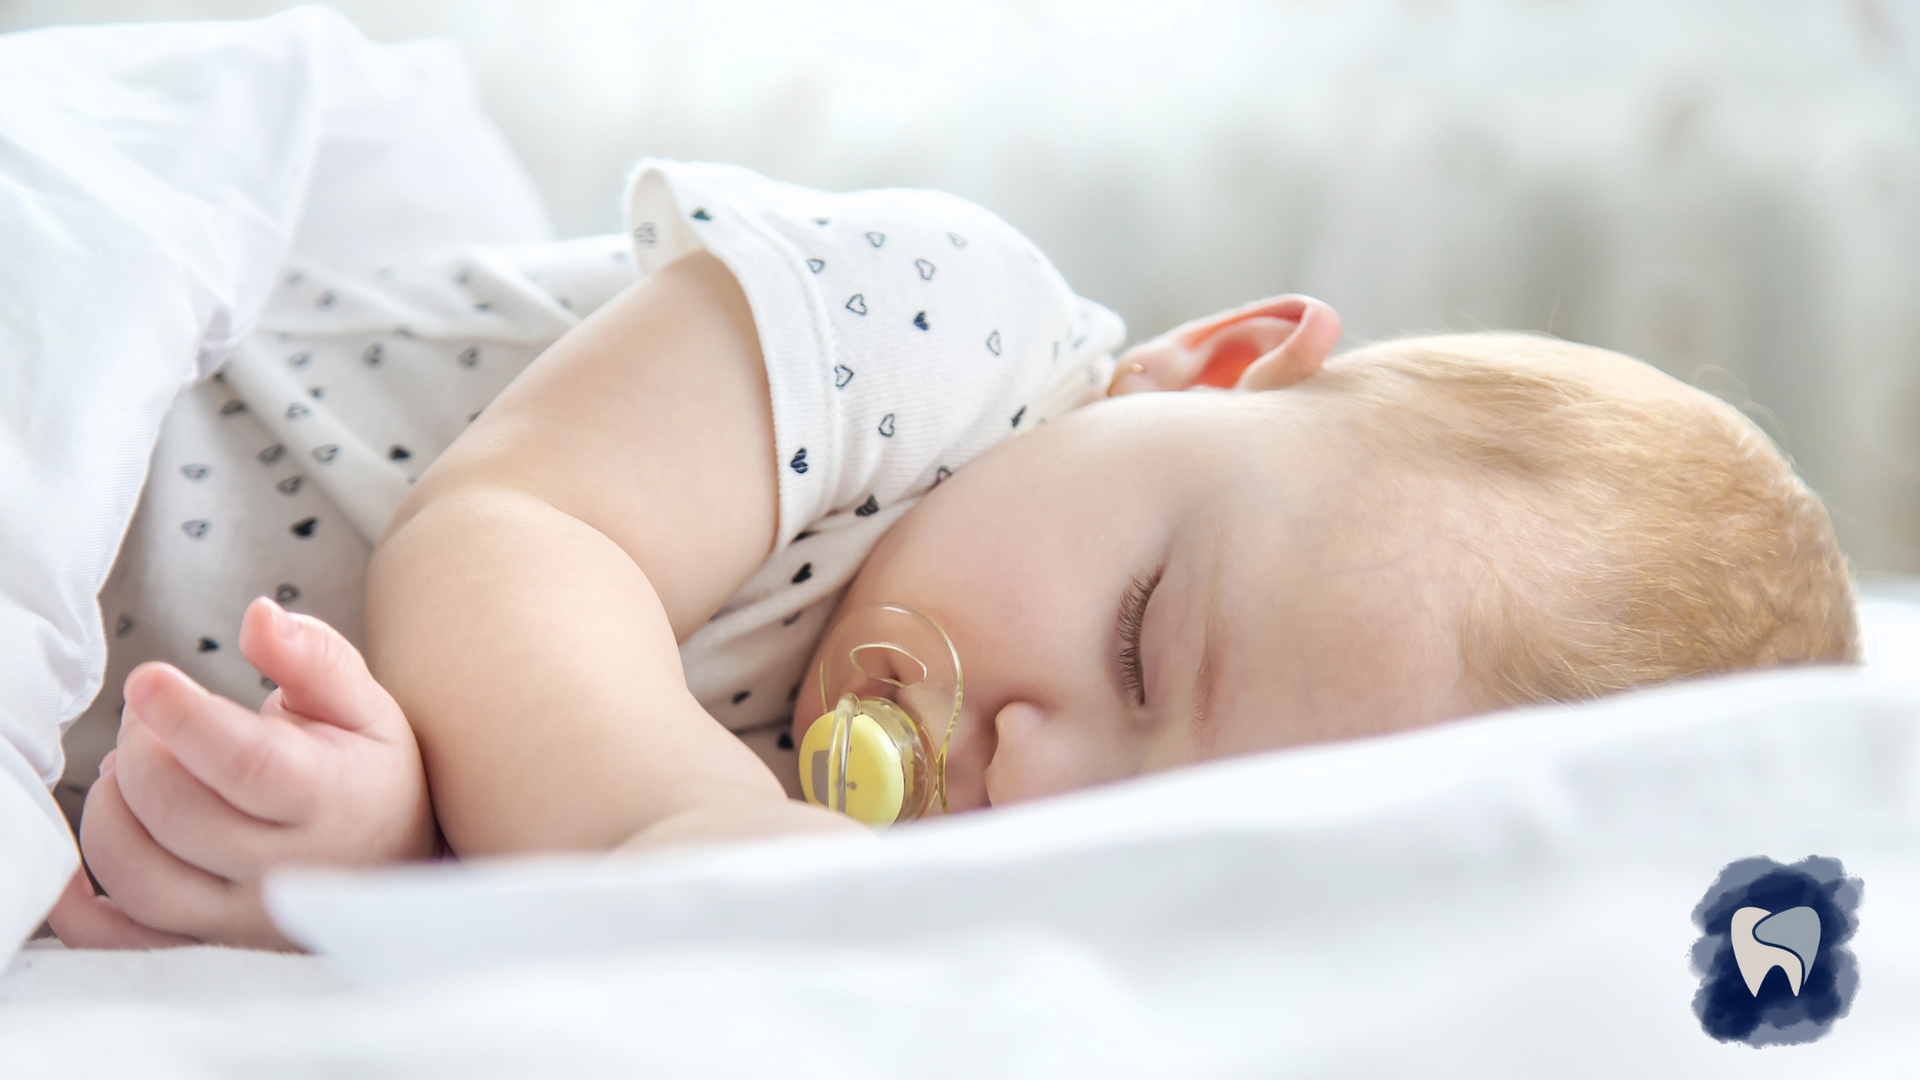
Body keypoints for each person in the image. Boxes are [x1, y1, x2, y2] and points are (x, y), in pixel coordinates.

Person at [49, 163, 1859, 950]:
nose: (1030, 770)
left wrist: (375, 843)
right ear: (1213, 366)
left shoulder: (893, 857)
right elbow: (514, 544)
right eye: (1146, 644)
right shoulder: (934, 329)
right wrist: (696, 851)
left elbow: (498, 781)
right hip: (95, 419)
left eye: (1141, 826)